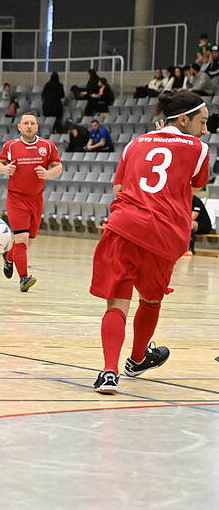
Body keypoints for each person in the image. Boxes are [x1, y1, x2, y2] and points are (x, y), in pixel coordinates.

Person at [91, 90, 210, 394]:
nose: (205, 129)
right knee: (151, 299)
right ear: (182, 120)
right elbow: (197, 185)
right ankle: (137, 359)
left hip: (125, 228)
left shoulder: (134, 144)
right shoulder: (199, 148)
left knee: (117, 303)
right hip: (164, 235)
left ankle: (108, 373)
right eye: (202, 121)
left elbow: (118, 188)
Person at [0, 112, 63, 292]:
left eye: (32, 123)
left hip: (36, 199)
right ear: (19, 126)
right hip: (16, 198)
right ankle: (24, 278)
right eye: (25, 123)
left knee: (28, 242)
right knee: (21, 238)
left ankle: (8, 257)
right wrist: (5, 169)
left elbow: (58, 167)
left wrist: (48, 174)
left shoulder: (47, 145)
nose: (29, 126)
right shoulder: (11, 145)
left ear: (37, 126)